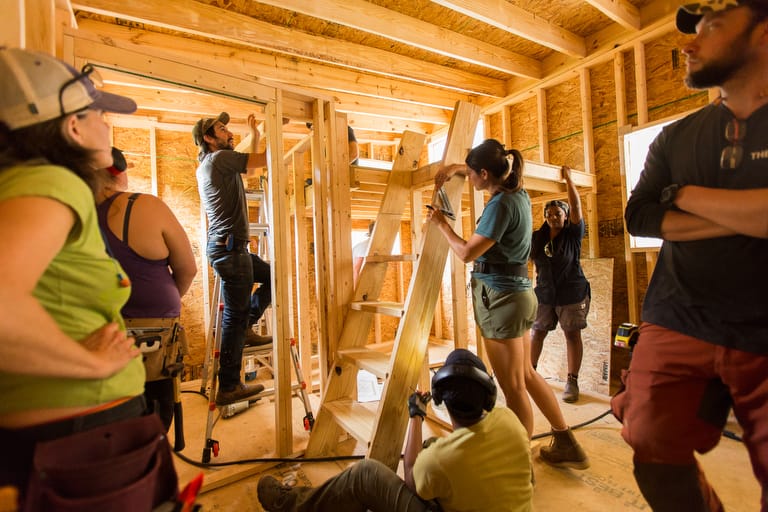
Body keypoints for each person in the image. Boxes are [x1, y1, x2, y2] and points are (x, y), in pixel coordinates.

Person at [612, 1, 768, 510]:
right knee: (651, 444)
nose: (688, 43)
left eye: (714, 26)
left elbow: (659, 206)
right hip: (678, 316)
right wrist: (748, 216)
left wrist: (681, 194)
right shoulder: (675, 137)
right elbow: (638, 216)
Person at [0, 47, 147, 500]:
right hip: (83, 431)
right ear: (73, 126)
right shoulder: (54, 182)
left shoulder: (18, 185)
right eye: (99, 112)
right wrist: (91, 362)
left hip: (57, 431)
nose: (107, 123)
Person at [429, 139, 589, 469]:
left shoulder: (500, 205)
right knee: (526, 375)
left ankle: (520, 464)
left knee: (513, 386)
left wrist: (442, 224)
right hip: (517, 294)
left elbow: (466, 253)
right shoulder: (518, 193)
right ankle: (564, 439)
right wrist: (458, 168)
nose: (470, 180)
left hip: (500, 299)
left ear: (485, 173)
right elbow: (485, 173)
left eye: (472, 175)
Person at [257, 348, 533, 512]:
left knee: (365, 475)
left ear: (440, 401)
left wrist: (415, 416)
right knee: (429, 450)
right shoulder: (511, 422)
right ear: (488, 395)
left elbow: (412, 475)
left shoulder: (442, 460)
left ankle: (291, 506)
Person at [95, 147, 197, 430]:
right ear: (120, 173)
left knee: (113, 414)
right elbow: (187, 269)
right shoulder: (146, 206)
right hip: (153, 334)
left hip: (100, 332)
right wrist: (167, 303)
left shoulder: (75, 214)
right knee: (155, 412)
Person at [193, 111, 272, 406]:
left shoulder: (214, 163)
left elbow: (250, 171)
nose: (229, 132)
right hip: (230, 250)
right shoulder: (218, 160)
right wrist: (271, 131)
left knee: (272, 278)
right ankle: (228, 386)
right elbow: (262, 161)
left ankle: (248, 327)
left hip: (231, 249)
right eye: (222, 129)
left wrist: (256, 132)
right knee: (233, 318)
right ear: (209, 139)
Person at [530, 166, 591, 403]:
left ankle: (571, 381)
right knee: (537, 332)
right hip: (545, 294)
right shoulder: (538, 237)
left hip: (571, 293)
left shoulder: (573, 235)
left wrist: (569, 180)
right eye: (550, 213)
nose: (554, 216)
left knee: (571, 334)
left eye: (558, 213)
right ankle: (530, 374)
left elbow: (576, 207)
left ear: (565, 216)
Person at [352, 221, 375, 286]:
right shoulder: (364, 247)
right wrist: (355, 292)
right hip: (356, 284)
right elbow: (356, 270)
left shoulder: (374, 247)